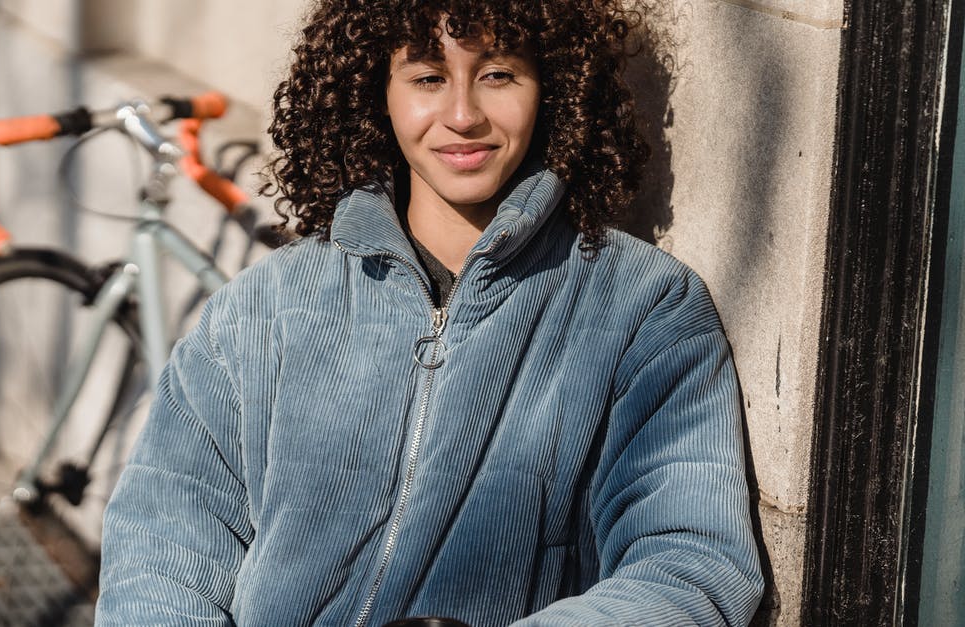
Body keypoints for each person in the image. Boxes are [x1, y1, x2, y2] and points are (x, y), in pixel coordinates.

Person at [96, 0, 764, 625]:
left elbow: (690, 563)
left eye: (498, 73)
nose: (463, 113)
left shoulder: (644, 308)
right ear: (376, 93)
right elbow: (161, 541)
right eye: (427, 76)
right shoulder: (262, 306)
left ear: (553, 87)